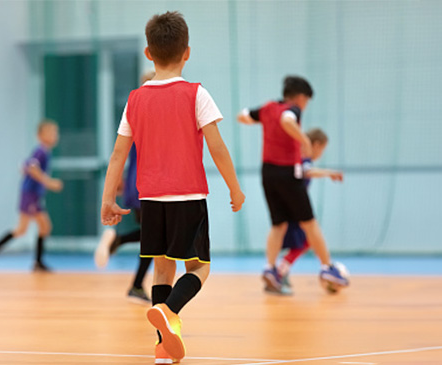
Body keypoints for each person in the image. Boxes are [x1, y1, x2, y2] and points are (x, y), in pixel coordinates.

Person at [100, 11, 244, 364]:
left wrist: (107, 199)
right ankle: (170, 312)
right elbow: (217, 147)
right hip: (188, 197)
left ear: (148, 53)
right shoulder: (196, 94)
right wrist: (234, 188)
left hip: (150, 199)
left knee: (161, 269)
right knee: (199, 268)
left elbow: (119, 153)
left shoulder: (134, 100)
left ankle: (163, 347)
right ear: (187, 52)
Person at [237, 76, 348, 295]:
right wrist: (304, 141)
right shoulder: (293, 110)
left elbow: (242, 116)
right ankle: (327, 267)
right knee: (309, 224)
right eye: (306, 100)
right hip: (288, 171)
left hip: (267, 172)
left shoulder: (268, 108)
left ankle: (270, 269)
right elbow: (287, 121)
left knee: (279, 224)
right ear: (300, 97)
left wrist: (263, 121)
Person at [94, 71, 156, 305]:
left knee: (152, 237)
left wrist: (119, 182)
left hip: (134, 182)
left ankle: (137, 285)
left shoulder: (133, 113)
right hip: (149, 183)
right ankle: (119, 244)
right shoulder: (153, 115)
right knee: (155, 238)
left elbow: (121, 152)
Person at [269, 128, 343, 295]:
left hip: (288, 206)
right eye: (322, 149)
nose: (321, 153)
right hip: (294, 208)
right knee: (307, 239)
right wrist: (329, 173)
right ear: (316, 145)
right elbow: (308, 171)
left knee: (305, 241)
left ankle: (280, 270)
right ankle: (279, 271)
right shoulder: (303, 159)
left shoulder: (296, 157)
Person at [0, 121, 63, 272]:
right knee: (43, 226)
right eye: (51, 133)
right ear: (40, 135)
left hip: (31, 194)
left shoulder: (43, 152)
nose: (54, 136)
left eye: (55, 133)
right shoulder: (41, 151)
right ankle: (37, 262)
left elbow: (26, 165)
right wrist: (49, 182)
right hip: (30, 194)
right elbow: (32, 168)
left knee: (23, 229)